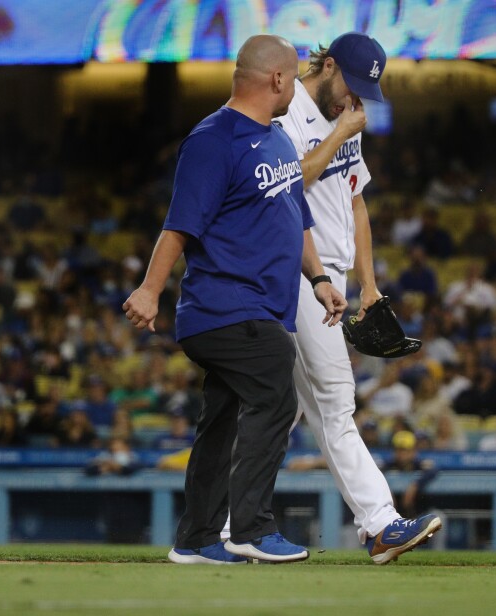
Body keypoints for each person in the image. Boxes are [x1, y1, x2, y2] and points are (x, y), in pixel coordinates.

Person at [123, 34, 347, 565]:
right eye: (293, 77)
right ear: (275, 79)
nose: (295, 86)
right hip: (224, 305)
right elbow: (179, 225)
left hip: (254, 306)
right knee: (276, 385)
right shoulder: (213, 140)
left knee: (221, 420)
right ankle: (249, 528)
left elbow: (297, 218)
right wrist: (150, 289)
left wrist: (318, 279)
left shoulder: (275, 139)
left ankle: (196, 539)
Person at [271, 30, 441, 564]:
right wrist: (341, 128)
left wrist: (367, 283)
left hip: (336, 277)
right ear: (327, 65)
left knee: (288, 411)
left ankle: (224, 518)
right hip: (298, 270)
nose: (356, 99)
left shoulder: (348, 117)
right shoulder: (287, 110)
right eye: (352, 84)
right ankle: (380, 522)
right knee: (337, 400)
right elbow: (286, 184)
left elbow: (356, 203)